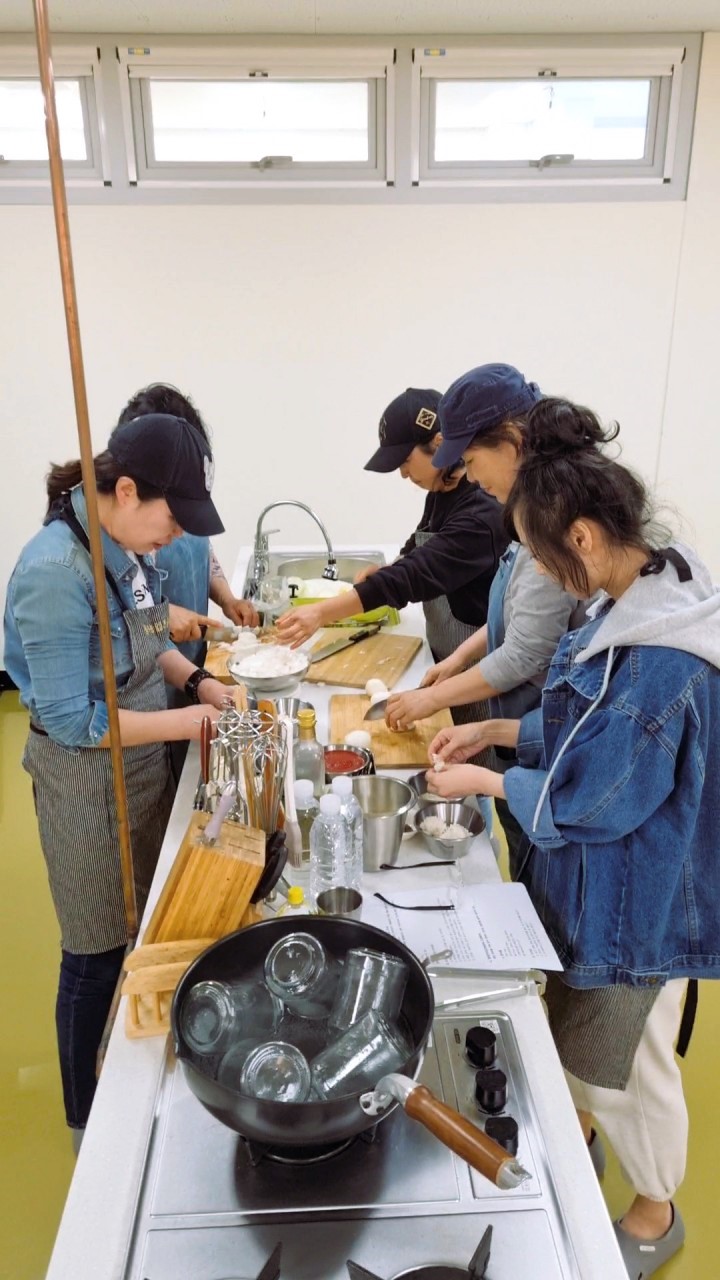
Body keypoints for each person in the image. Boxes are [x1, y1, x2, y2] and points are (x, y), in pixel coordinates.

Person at [427, 396, 720, 1276]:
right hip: (600, 883)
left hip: (642, 898)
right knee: (585, 1047)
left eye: (550, 558)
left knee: (629, 1067)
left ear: (584, 538)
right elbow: (579, 730)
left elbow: (600, 797)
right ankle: (578, 1137)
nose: (549, 576)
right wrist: (497, 734)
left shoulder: (662, 657)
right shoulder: (634, 598)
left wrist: (484, 779)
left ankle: (655, 1208)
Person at [3, 413, 233, 1141]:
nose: (179, 534)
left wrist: (198, 684)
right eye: (174, 516)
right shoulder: (53, 572)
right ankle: (83, 1115)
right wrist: (188, 726)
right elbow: (72, 721)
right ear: (127, 490)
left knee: (141, 924)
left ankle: (131, 1075)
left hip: (137, 756)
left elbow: (149, 636)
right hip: (82, 781)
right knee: (94, 948)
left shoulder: (126, 551)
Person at [384, 364, 587, 863]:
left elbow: (525, 651)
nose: (470, 476)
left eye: (472, 459)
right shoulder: (527, 510)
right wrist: (457, 662)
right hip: (527, 725)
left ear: (514, 441)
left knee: (541, 854)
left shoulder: (553, 520)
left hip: (551, 729)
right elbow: (508, 613)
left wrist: (431, 702)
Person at [276, 388, 509, 777]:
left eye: (405, 460)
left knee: (475, 777)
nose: (403, 474)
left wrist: (321, 613)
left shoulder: (482, 511)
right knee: (452, 760)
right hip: (448, 658)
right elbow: (420, 544)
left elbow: (416, 575)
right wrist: (392, 564)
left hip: (485, 670)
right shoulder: (443, 487)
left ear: (439, 444)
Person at [116, 384, 259, 666]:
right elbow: (106, 622)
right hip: (149, 685)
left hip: (189, 669)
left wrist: (228, 600)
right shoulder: (111, 540)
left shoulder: (179, 503)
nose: (178, 532)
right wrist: (161, 618)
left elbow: (202, 554)